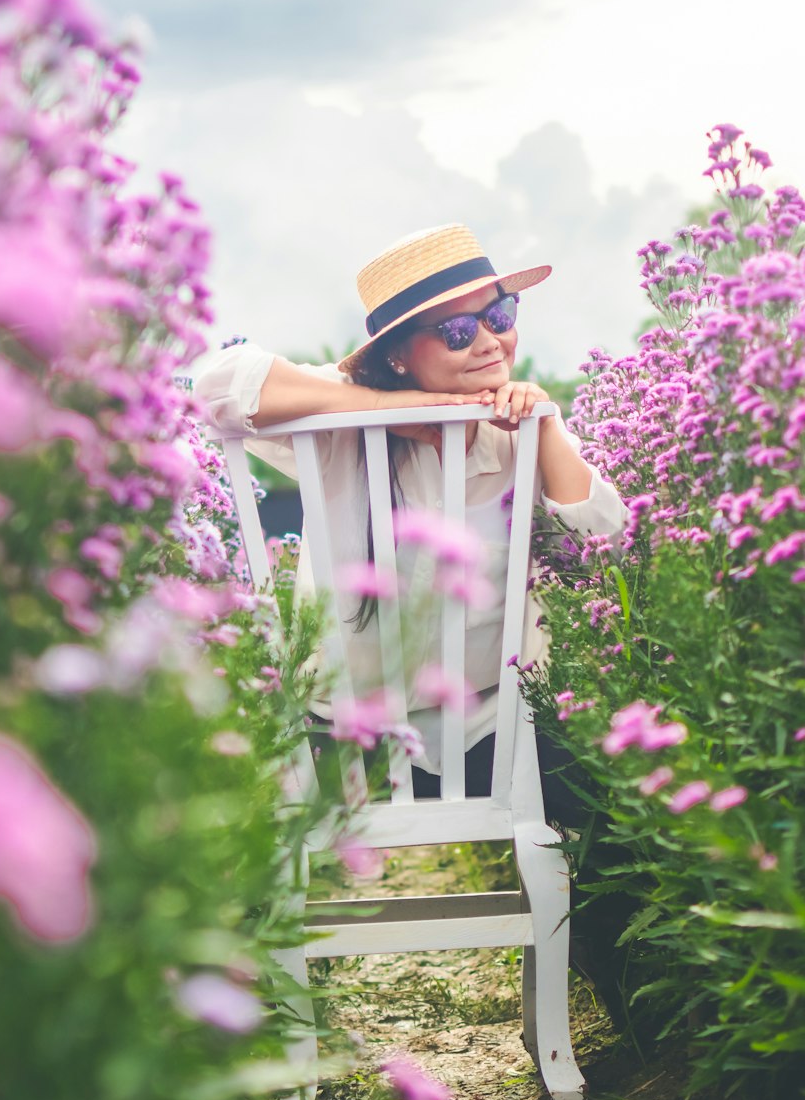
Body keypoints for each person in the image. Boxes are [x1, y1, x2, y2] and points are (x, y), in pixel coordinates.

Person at [191, 222, 625, 808]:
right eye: (455, 330)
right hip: (343, 740)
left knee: (613, 803)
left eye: (499, 315)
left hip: (492, 732)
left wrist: (544, 425)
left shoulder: (518, 435)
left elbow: (606, 553)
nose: (489, 342)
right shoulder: (338, 430)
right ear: (397, 355)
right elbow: (215, 384)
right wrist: (380, 409)